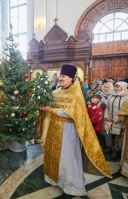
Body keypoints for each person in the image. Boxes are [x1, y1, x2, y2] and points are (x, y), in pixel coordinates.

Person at [40, 64, 111, 197]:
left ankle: (72, 186)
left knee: (69, 158)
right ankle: (56, 180)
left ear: (71, 78)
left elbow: (70, 114)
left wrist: (50, 110)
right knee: (56, 156)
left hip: (69, 131)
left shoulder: (76, 95)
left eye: (63, 76)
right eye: (60, 76)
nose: (60, 79)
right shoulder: (55, 92)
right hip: (54, 129)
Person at [103, 81, 128, 160]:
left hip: (119, 120)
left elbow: (126, 111)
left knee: (118, 136)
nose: (116, 88)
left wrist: (116, 119)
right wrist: (106, 116)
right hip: (109, 119)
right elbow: (107, 107)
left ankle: (116, 150)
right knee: (108, 133)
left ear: (123, 87)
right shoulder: (111, 95)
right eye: (115, 86)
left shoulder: (127, 98)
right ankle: (109, 147)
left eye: (118, 87)